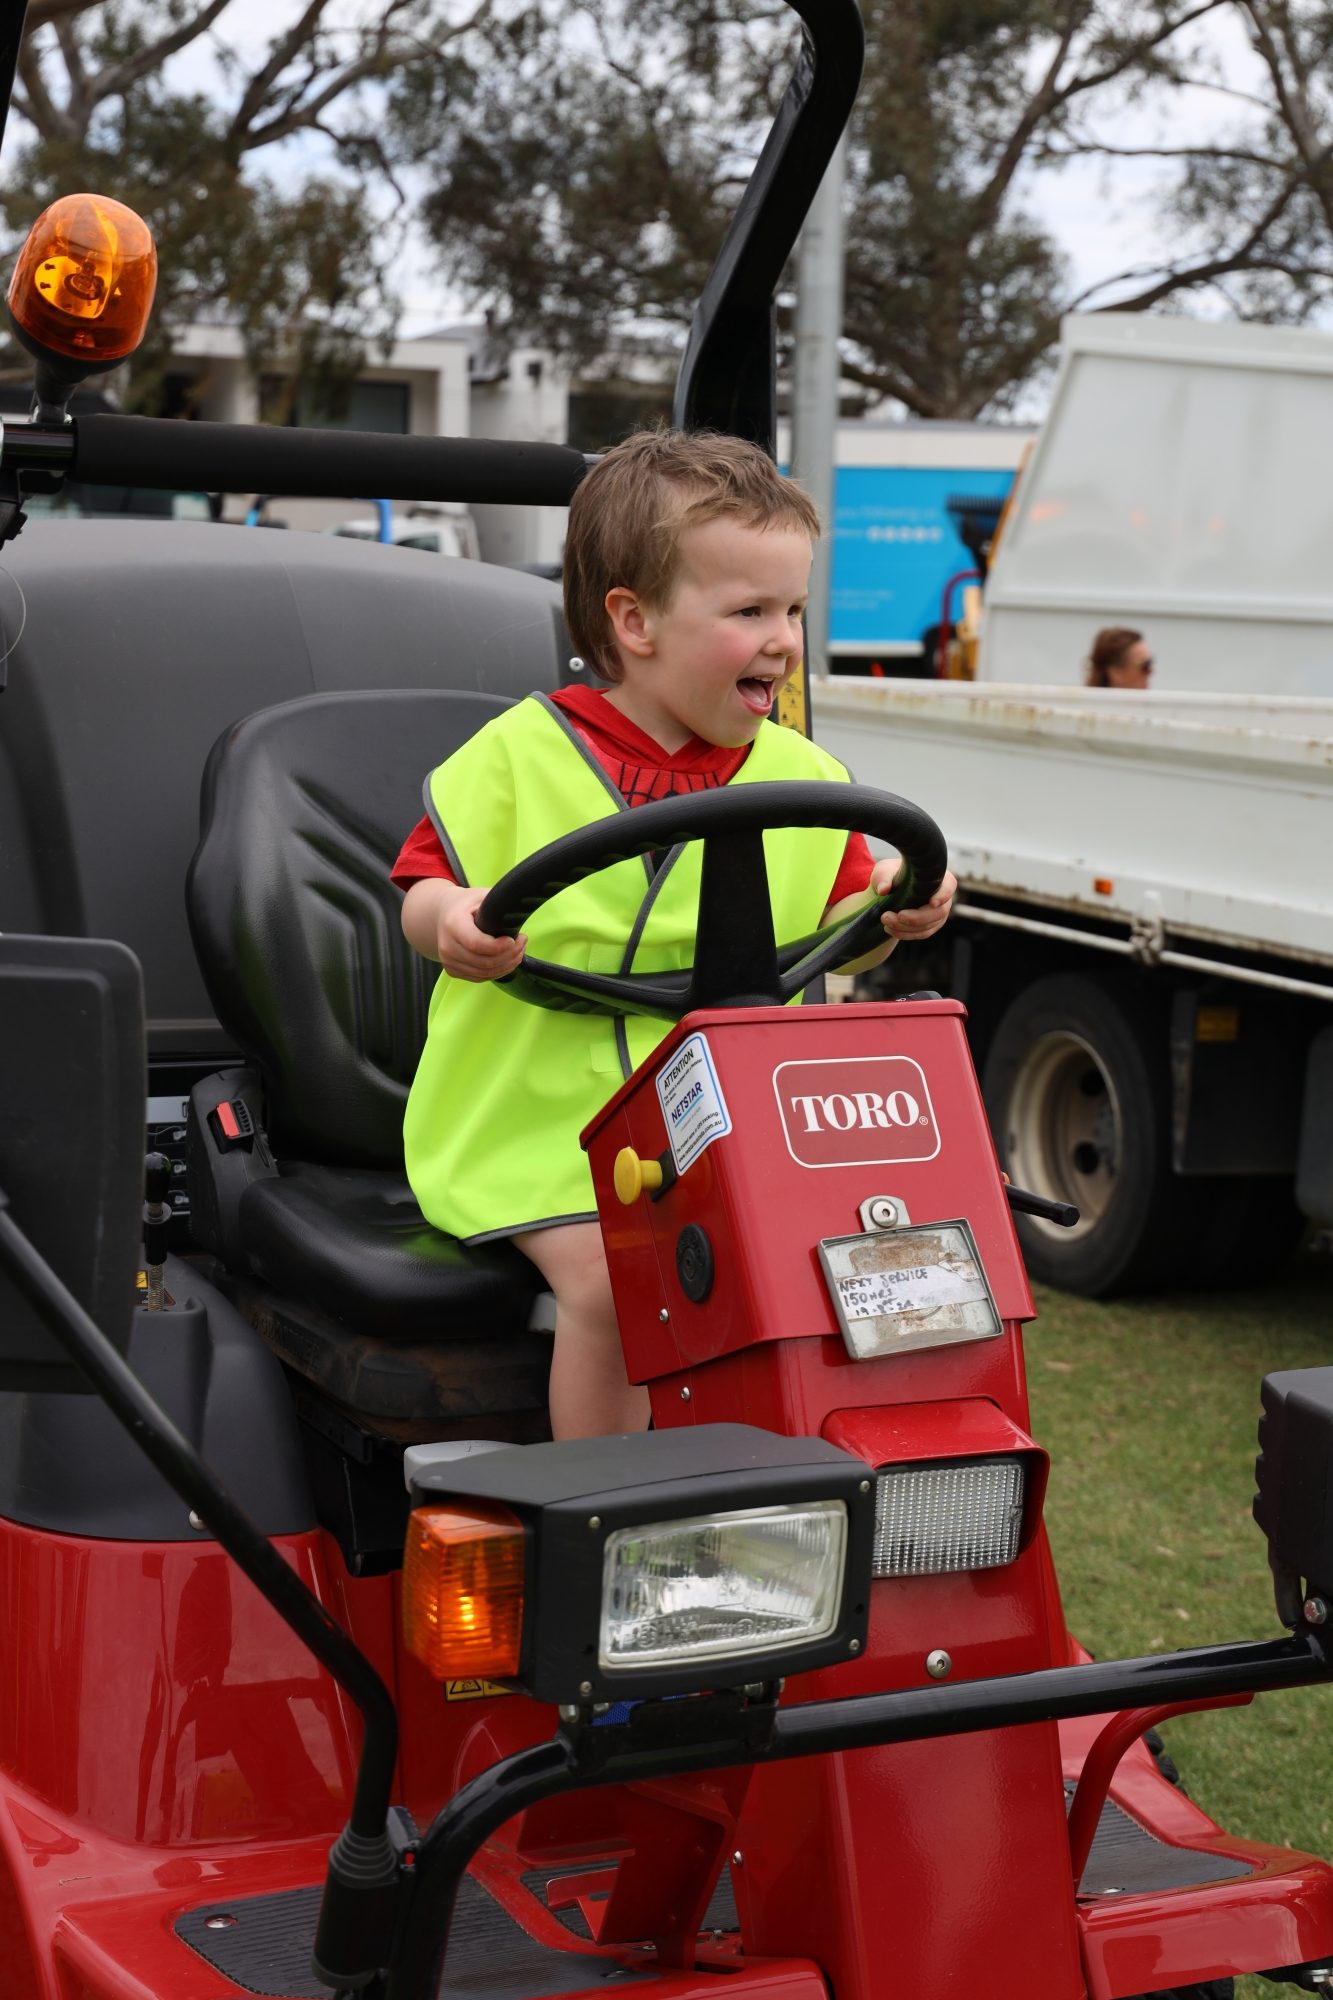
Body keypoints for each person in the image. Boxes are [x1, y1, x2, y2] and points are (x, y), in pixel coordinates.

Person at [393, 428, 957, 1440]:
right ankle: (610, 1504)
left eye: (792, 609)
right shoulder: (518, 755)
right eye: (749, 612)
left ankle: (805, 1480)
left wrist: (895, 904)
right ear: (634, 620)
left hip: (747, 1124)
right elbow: (422, 890)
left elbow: (847, 933)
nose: (784, 640)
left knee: (885, 1261)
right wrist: (454, 924)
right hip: (539, 1127)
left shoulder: (804, 777)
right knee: (623, 1280)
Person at [1084, 627, 1154, 688]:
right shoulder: (1084, 699)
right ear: (1115, 672)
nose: (1151, 671)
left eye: (1150, 662)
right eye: (1145, 665)